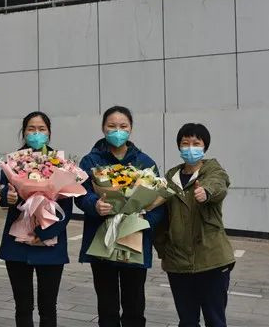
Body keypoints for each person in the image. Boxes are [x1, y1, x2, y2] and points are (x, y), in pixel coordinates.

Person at [75, 105, 165, 327]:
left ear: (131, 129)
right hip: (102, 241)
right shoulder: (91, 161)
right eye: (112, 126)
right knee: (107, 307)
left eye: (123, 126)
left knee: (134, 306)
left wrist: (144, 222)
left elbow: (159, 202)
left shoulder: (145, 162)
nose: (117, 131)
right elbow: (80, 193)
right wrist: (95, 205)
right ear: (103, 128)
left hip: (134, 241)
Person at [0, 111, 72, 327]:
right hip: (17, 242)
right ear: (24, 132)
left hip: (50, 243)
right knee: (23, 306)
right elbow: (3, 192)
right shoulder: (13, 162)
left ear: (49, 133)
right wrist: (8, 197)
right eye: (31, 129)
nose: (36, 133)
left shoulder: (60, 163)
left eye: (41, 129)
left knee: (48, 306)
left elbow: (67, 204)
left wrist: (46, 232)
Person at [155, 123, 234, 327]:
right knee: (187, 321)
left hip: (211, 261)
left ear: (205, 146)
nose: (190, 148)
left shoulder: (213, 170)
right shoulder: (170, 178)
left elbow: (219, 184)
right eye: (185, 143)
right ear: (179, 146)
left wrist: (206, 192)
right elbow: (162, 218)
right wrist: (164, 251)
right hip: (178, 263)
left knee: (215, 321)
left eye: (196, 143)